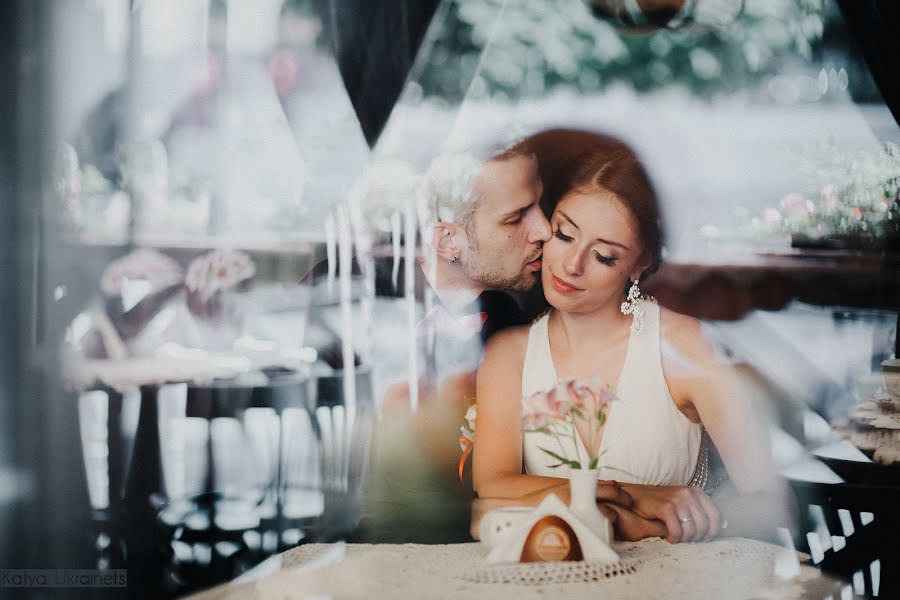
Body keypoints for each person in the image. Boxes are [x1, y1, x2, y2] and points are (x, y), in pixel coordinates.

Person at [473, 135, 792, 543]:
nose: (571, 266)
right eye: (565, 235)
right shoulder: (509, 356)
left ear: (639, 265)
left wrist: (657, 523)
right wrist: (631, 498)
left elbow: (771, 500)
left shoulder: (683, 345)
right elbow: (493, 489)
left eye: (604, 256)